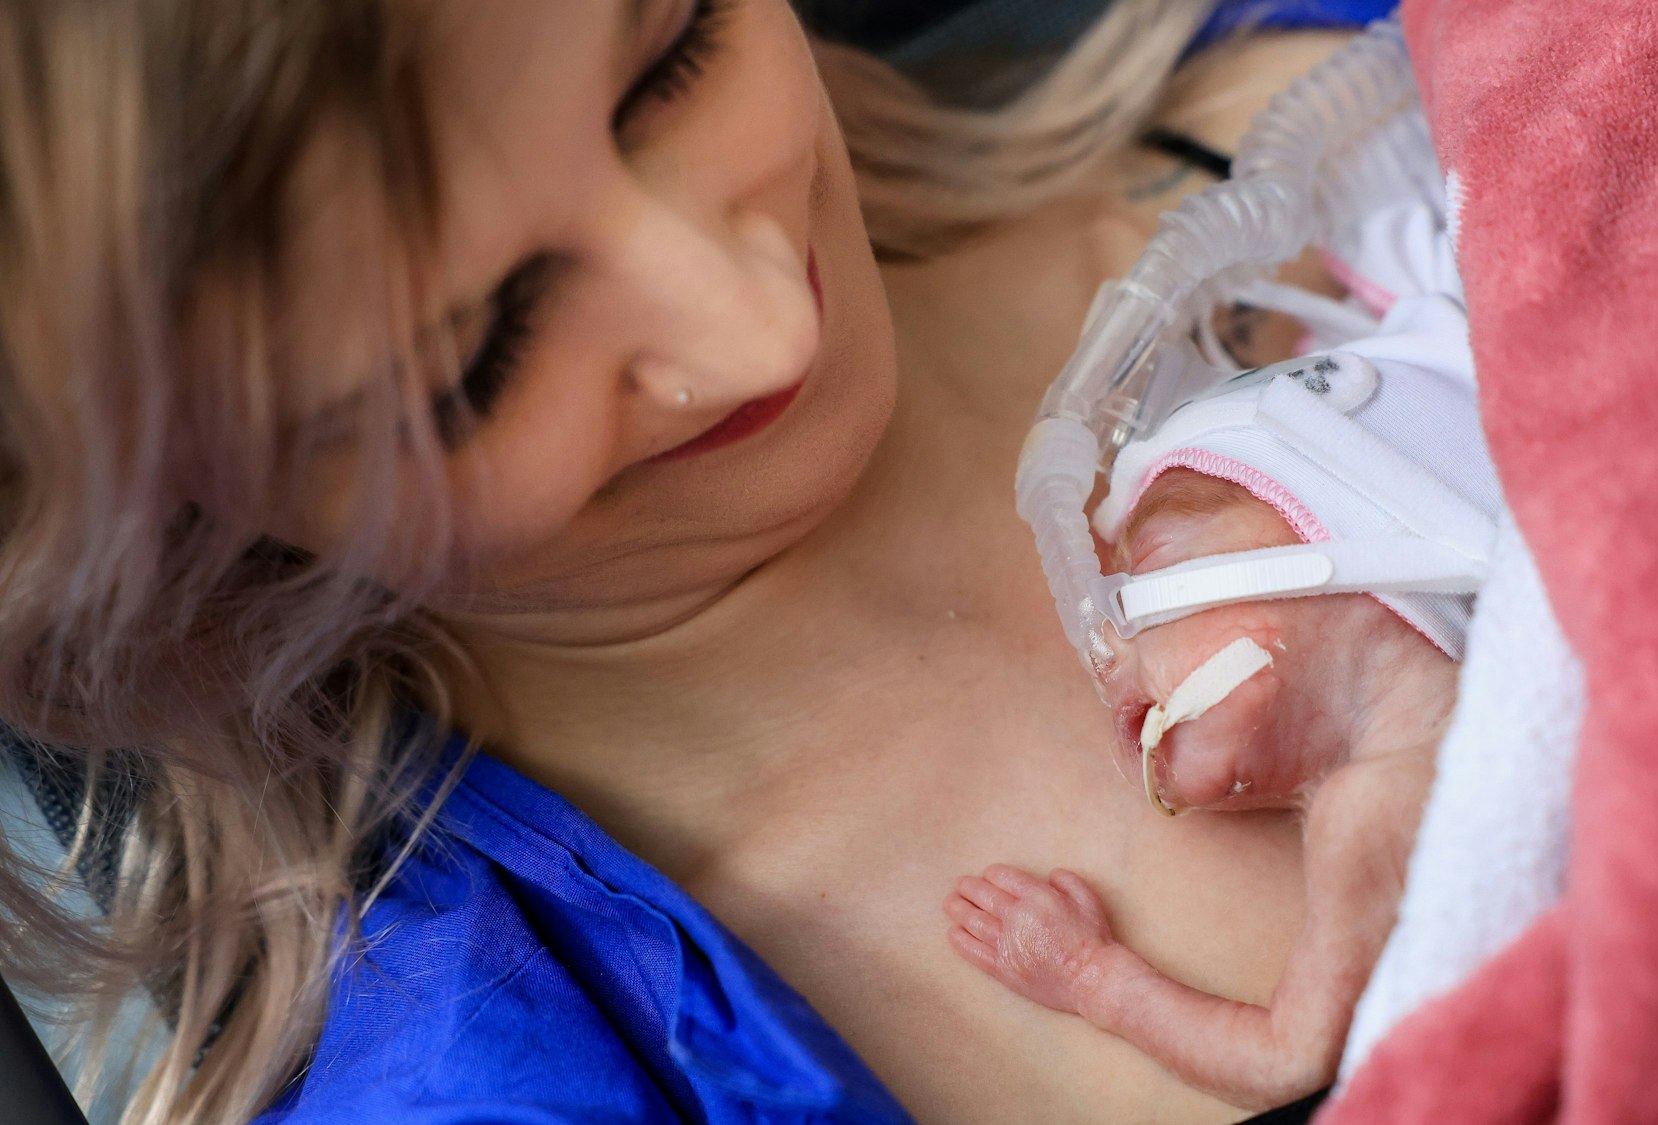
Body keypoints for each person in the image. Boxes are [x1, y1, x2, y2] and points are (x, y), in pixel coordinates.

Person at [0, 2, 1431, 1122]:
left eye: (673, 53)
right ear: (150, 523)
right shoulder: (529, 1085)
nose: (764, 329)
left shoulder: (1377, 94)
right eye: (472, 361)